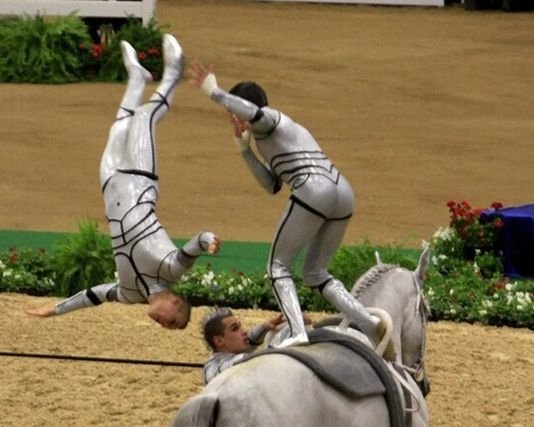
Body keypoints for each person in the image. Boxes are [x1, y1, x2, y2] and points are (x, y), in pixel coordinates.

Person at [188, 60, 393, 356]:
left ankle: (298, 332)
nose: (233, 120)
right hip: (340, 191)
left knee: (276, 266)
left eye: (233, 114)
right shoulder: (270, 137)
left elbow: (254, 112)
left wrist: (214, 92)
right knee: (315, 272)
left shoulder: (269, 118)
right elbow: (272, 185)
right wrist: (245, 151)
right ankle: (370, 324)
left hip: (314, 189)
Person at [26, 36, 220, 330]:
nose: (163, 323)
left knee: (120, 124)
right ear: (176, 303)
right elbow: (193, 246)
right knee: (144, 116)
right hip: (140, 180)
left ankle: (137, 78)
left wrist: (53, 310)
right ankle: (172, 75)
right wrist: (208, 240)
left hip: (111, 186)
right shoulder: (170, 269)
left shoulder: (129, 295)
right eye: (172, 321)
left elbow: (93, 295)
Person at [202, 308, 286, 384]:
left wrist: (265, 327)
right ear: (219, 341)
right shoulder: (212, 368)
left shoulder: (233, 348)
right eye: (235, 329)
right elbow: (240, 361)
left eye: (240, 326)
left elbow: (251, 338)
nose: (244, 331)